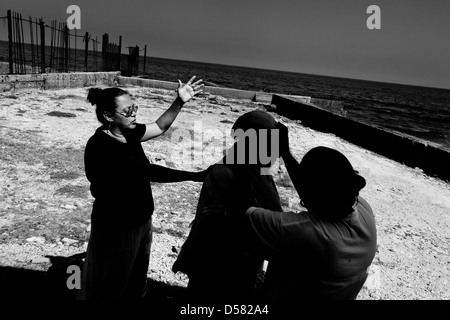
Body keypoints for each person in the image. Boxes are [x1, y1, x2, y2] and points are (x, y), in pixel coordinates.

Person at [78, 76, 207, 300]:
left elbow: (159, 126)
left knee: (135, 278)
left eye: (134, 107)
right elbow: (149, 172)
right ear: (109, 116)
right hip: (118, 226)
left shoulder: (129, 132)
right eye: (127, 110)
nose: (134, 113)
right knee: (112, 285)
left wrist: (180, 101)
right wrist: (195, 176)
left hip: (141, 221)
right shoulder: (101, 146)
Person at [243, 122, 377, 300]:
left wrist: (248, 169)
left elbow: (240, 212)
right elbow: (323, 191)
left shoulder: (308, 232)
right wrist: (285, 152)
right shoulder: (362, 208)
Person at [172, 110, 282, 301]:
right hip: (217, 267)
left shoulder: (258, 172)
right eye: (271, 144)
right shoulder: (227, 173)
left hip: (240, 266)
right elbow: (212, 226)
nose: (276, 152)